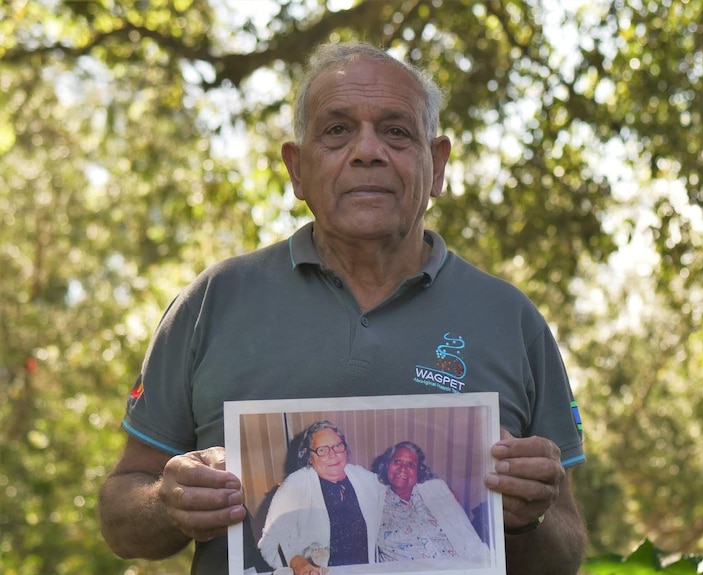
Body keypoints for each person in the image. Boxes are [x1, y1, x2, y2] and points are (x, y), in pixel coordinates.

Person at [98, 40, 587, 575]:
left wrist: (529, 517)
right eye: (337, 130)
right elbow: (121, 517)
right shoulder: (212, 302)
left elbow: (565, 555)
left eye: (396, 131)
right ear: (296, 168)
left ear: (438, 164)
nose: (367, 150)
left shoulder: (511, 319)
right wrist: (168, 505)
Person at [257, 421, 383, 574]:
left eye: (338, 446)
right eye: (322, 450)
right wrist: (297, 563)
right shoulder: (295, 485)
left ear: (345, 449)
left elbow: (395, 485)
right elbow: (268, 544)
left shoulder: (363, 478)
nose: (333, 454)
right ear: (310, 457)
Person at [372, 441, 487, 564]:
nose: (403, 469)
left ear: (418, 472)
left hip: (455, 566)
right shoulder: (374, 497)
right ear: (387, 466)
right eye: (397, 462)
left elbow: (468, 534)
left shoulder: (436, 491)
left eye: (410, 465)